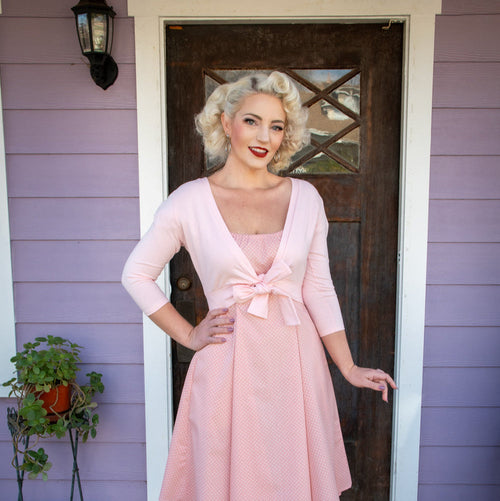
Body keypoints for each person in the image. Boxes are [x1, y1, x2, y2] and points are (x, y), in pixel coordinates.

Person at [122, 71, 397, 500]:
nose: (264, 136)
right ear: (226, 122)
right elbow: (136, 274)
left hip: (295, 363)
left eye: (276, 126)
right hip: (227, 364)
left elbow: (318, 289)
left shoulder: (305, 198)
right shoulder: (189, 201)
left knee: (293, 479)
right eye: (251, 121)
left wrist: (348, 367)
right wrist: (189, 335)